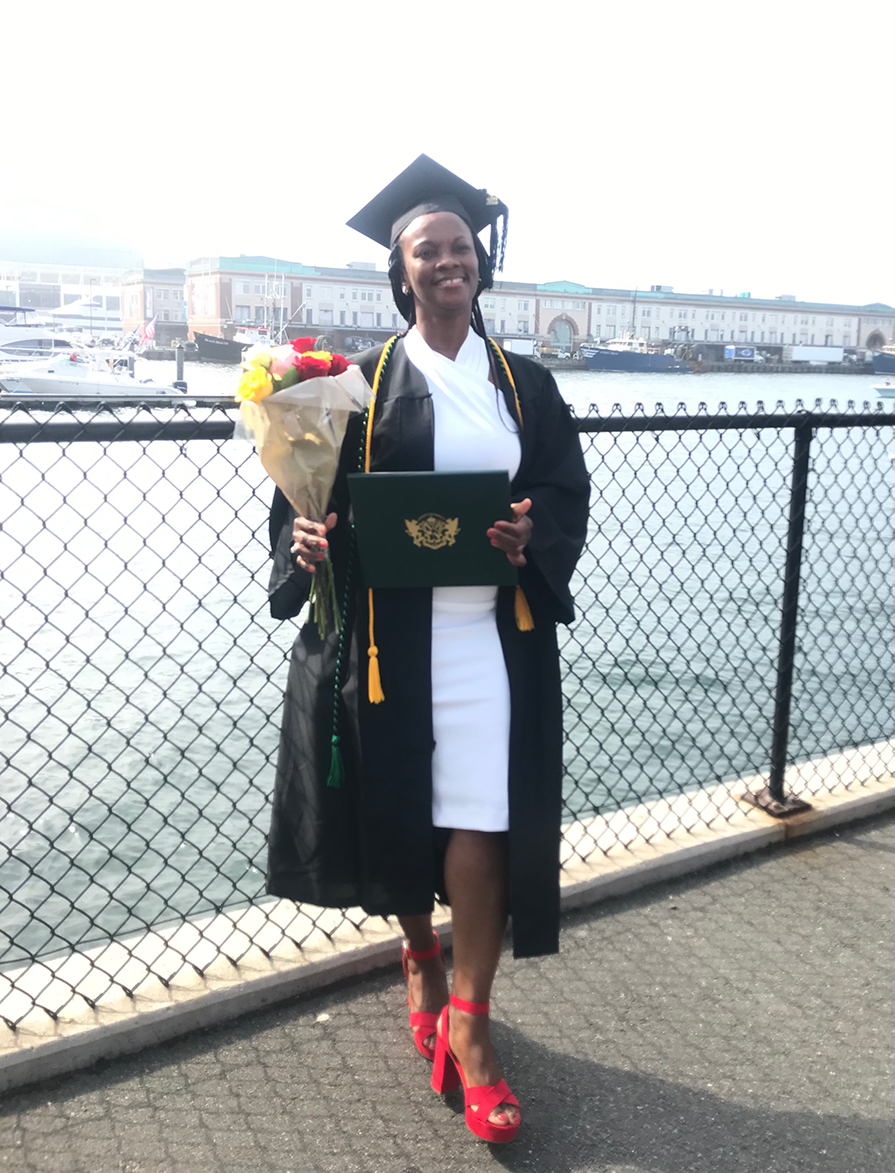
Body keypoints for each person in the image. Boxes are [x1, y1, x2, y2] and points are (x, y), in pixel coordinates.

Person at [265, 155, 589, 1143]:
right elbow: (300, 508)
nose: (447, 262)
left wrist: (531, 531)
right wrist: (304, 540)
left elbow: (563, 493)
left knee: (485, 822)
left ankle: (472, 1023)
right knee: (401, 811)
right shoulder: (351, 390)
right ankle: (420, 954)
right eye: (425, 252)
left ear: (478, 262)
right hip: (388, 645)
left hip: (490, 640)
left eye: (459, 247)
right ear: (399, 274)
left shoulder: (522, 384)